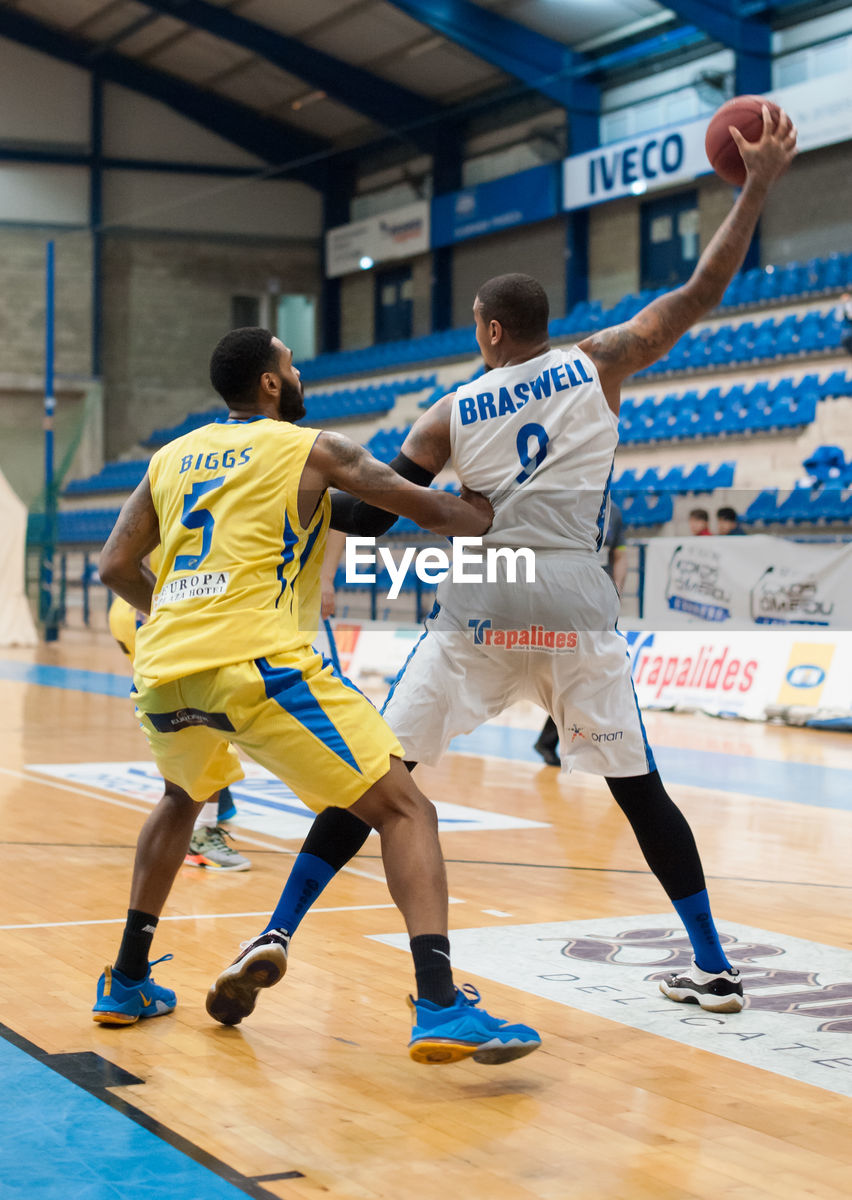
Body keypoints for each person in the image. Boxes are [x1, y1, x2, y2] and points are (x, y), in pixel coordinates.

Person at [256, 104, 797, 1016]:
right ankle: (712, 964)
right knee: (641, 789)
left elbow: (374, 518)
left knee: (377, 774)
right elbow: (703, 290)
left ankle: (275, 929)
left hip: (489, 586)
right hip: (577, 588)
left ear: (491, 331)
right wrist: (758, 188)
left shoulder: (449, 410)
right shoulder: (601, 362)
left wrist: (287, 463)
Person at [93, 326, 540, 1067]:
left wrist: (172, 615)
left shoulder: (169, 459)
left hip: (167, 664)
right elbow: (423, 509)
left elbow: (114, 563)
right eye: (291, 365)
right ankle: (438, 1005)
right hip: (260, 661)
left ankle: (127, 981)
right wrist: (481, 510)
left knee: (181, 797)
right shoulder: (308, 449)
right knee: (405, 808)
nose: (297, 374)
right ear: (271, 384)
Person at [109, 587, 250, 871]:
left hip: (145, 607)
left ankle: (208, 804)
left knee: (196, 715)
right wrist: (152, 611)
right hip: (158, 608)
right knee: (205, 717)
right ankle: (200, 833)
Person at [533, 500, 626, 766]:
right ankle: (558, 739)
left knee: (589, 674)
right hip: (569, 602)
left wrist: (617, 590)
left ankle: (551, 739)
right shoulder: (563, 507)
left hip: (598, 603)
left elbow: (619, 554)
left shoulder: (615, 513)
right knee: (582, 674)